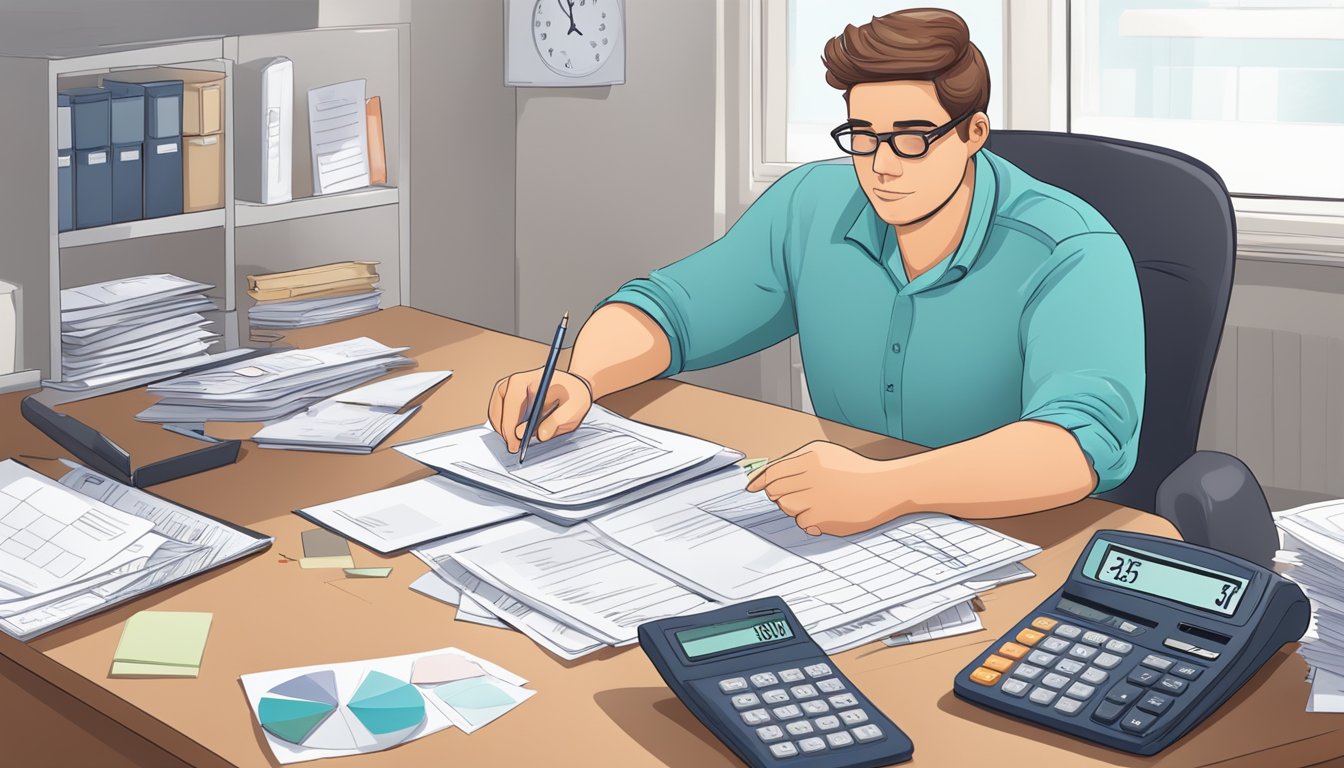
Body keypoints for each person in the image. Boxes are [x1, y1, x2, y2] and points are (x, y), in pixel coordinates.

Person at [487, 8, 1144, 537]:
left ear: (973, 133)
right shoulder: (811, 206)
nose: (882, 166)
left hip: (1022, 537)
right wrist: (579, 376)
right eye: (863, 136)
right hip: (846, 527)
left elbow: (1078, 447)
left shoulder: (1072, 249)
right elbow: (668, 309)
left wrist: (889, 487)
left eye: (911, 139)